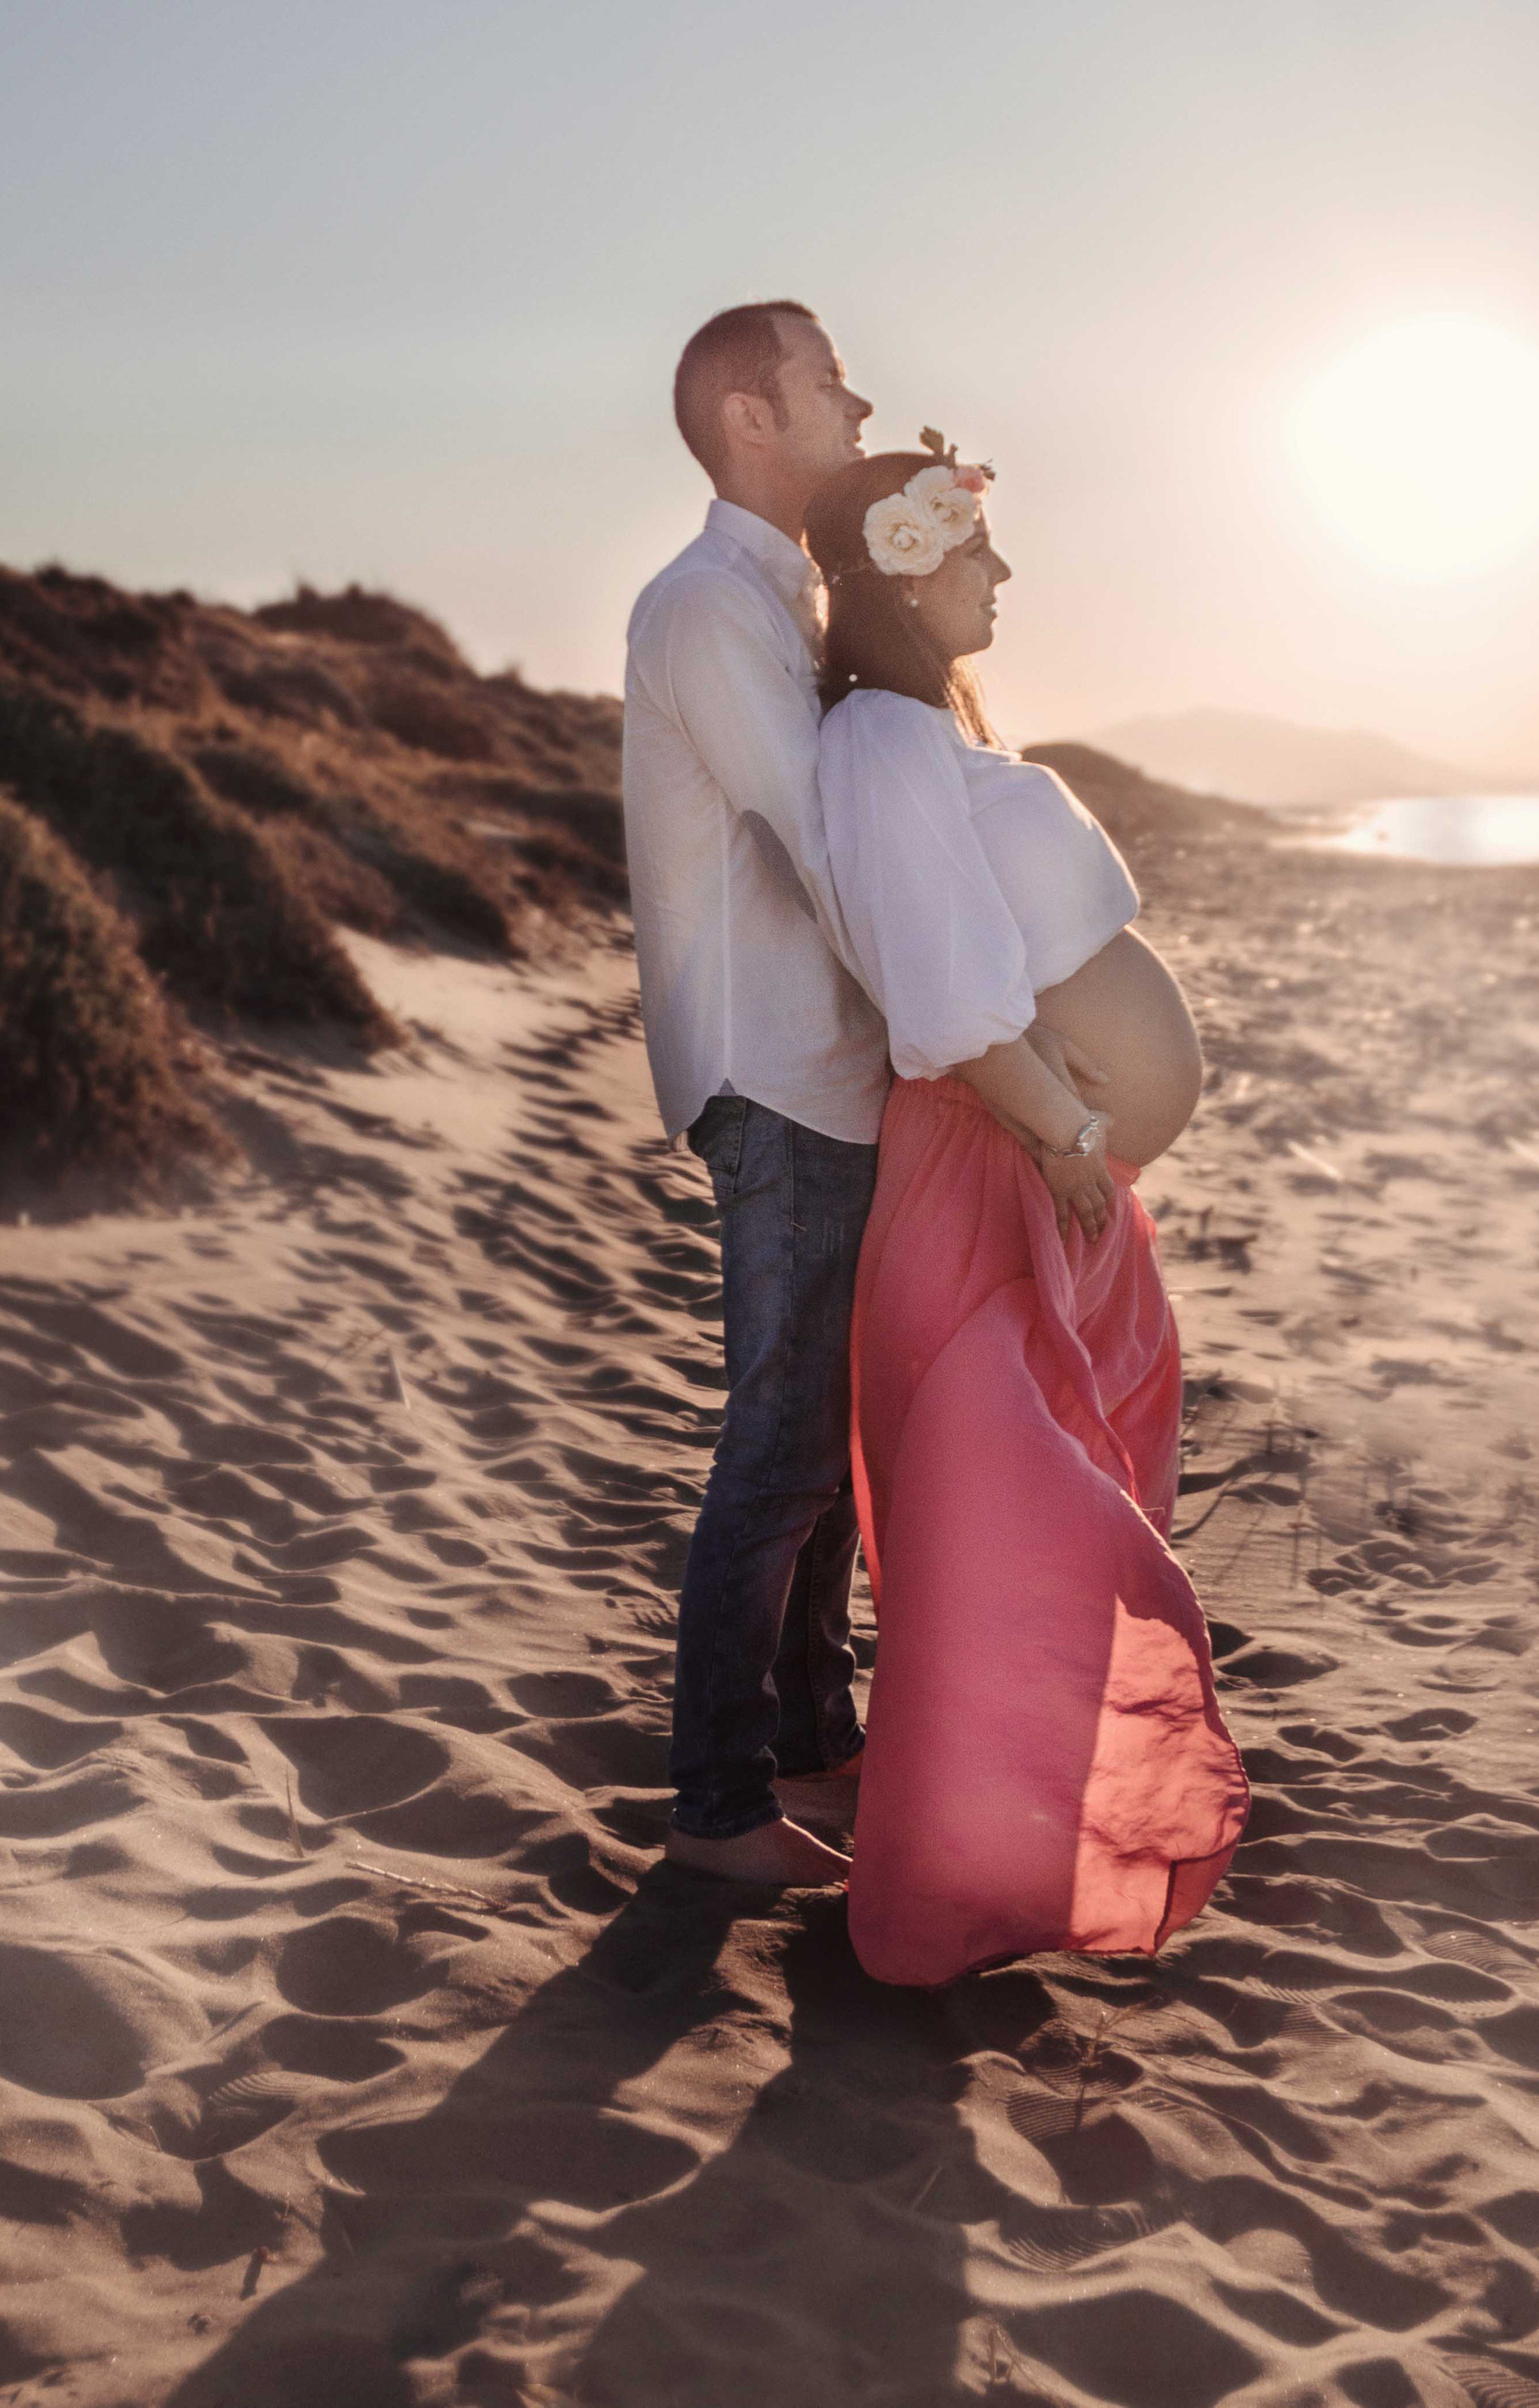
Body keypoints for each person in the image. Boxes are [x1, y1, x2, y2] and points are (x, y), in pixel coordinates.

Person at [807, 441, 1250, 1984]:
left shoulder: (924, 734)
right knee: (1004, 1513)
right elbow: (934, 981)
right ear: (913, 566)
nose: (1002, 577)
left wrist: (1077, 1132)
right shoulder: (874, 739)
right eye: (980, 552)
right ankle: (951, 1886)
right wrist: (1064, 1123)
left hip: (1042, 1164)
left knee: (1067, 1481)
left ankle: (1025, 1839)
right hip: (995, 1165)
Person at [621, 300, 890, 1887]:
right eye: (827, 384)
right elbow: (818, 833)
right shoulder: (710, 607)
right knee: (783, 1445)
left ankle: (812, 1739)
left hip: (827, 1070)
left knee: (829, 1442)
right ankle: (718, 1806)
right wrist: (961, 1020)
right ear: (748, 417)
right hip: (771, 1067)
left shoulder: (784, 595)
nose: (857, 406)